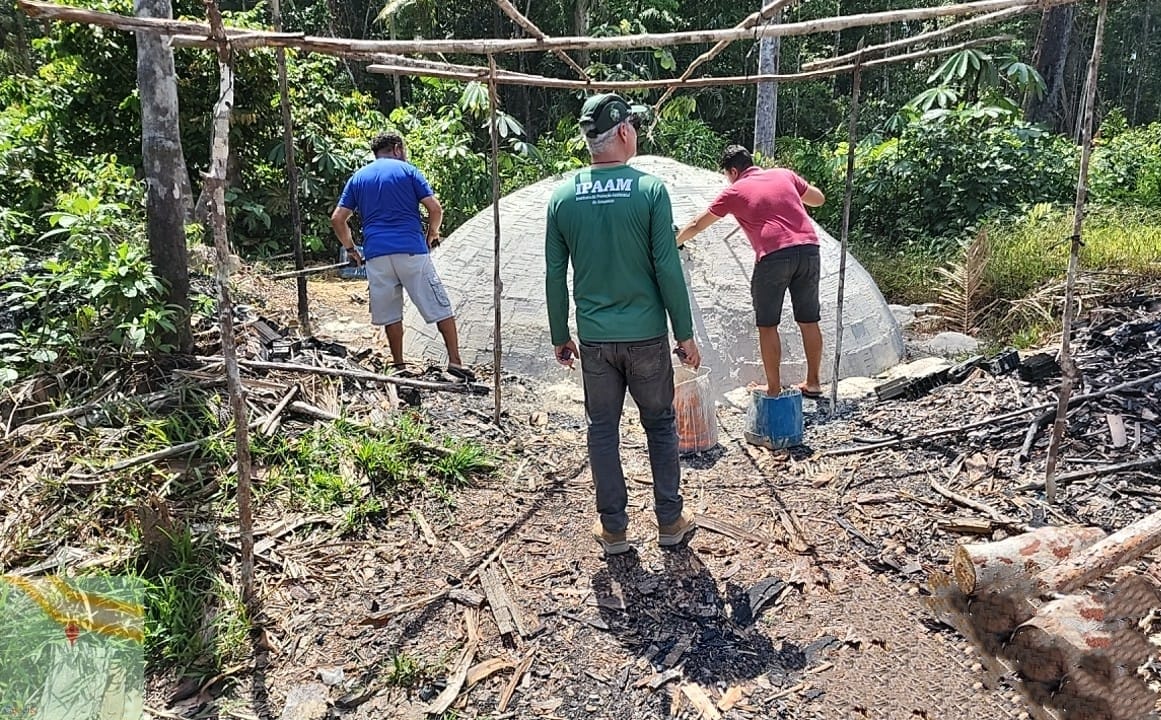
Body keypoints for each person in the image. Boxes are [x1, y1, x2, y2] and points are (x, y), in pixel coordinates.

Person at [545, 93, 702, 556]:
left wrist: (560, 334)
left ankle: (613, 528)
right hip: (646, 337)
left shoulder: (563, 198)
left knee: (602, 428)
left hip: (596, 341)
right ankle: (670, 521)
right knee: (660, 425)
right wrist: (684, 333)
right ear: (625, 132)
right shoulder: (650, 191)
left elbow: (554, 273)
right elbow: (667, 267)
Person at [676, 144, 826, 398]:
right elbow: (818, 199)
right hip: (809, 249)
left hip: (774, 256)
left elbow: (697, 224)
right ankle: (813, 383)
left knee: (768, 324)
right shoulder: (784, 174)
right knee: (809, 320)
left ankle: (774, 389)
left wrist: (674, 242)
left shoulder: (734, 191)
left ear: (733, 171)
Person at [331, 132, 474, 382]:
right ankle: (455, 361)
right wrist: (432, 233)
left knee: (391, 314)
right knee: (440, 306)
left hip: (377, 256)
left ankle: (398, 365)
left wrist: (351, 249)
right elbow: (435, 208)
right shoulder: (408, 171)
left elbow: (337, 218)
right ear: (397, 148)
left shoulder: (358, 178)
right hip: (411, 250)